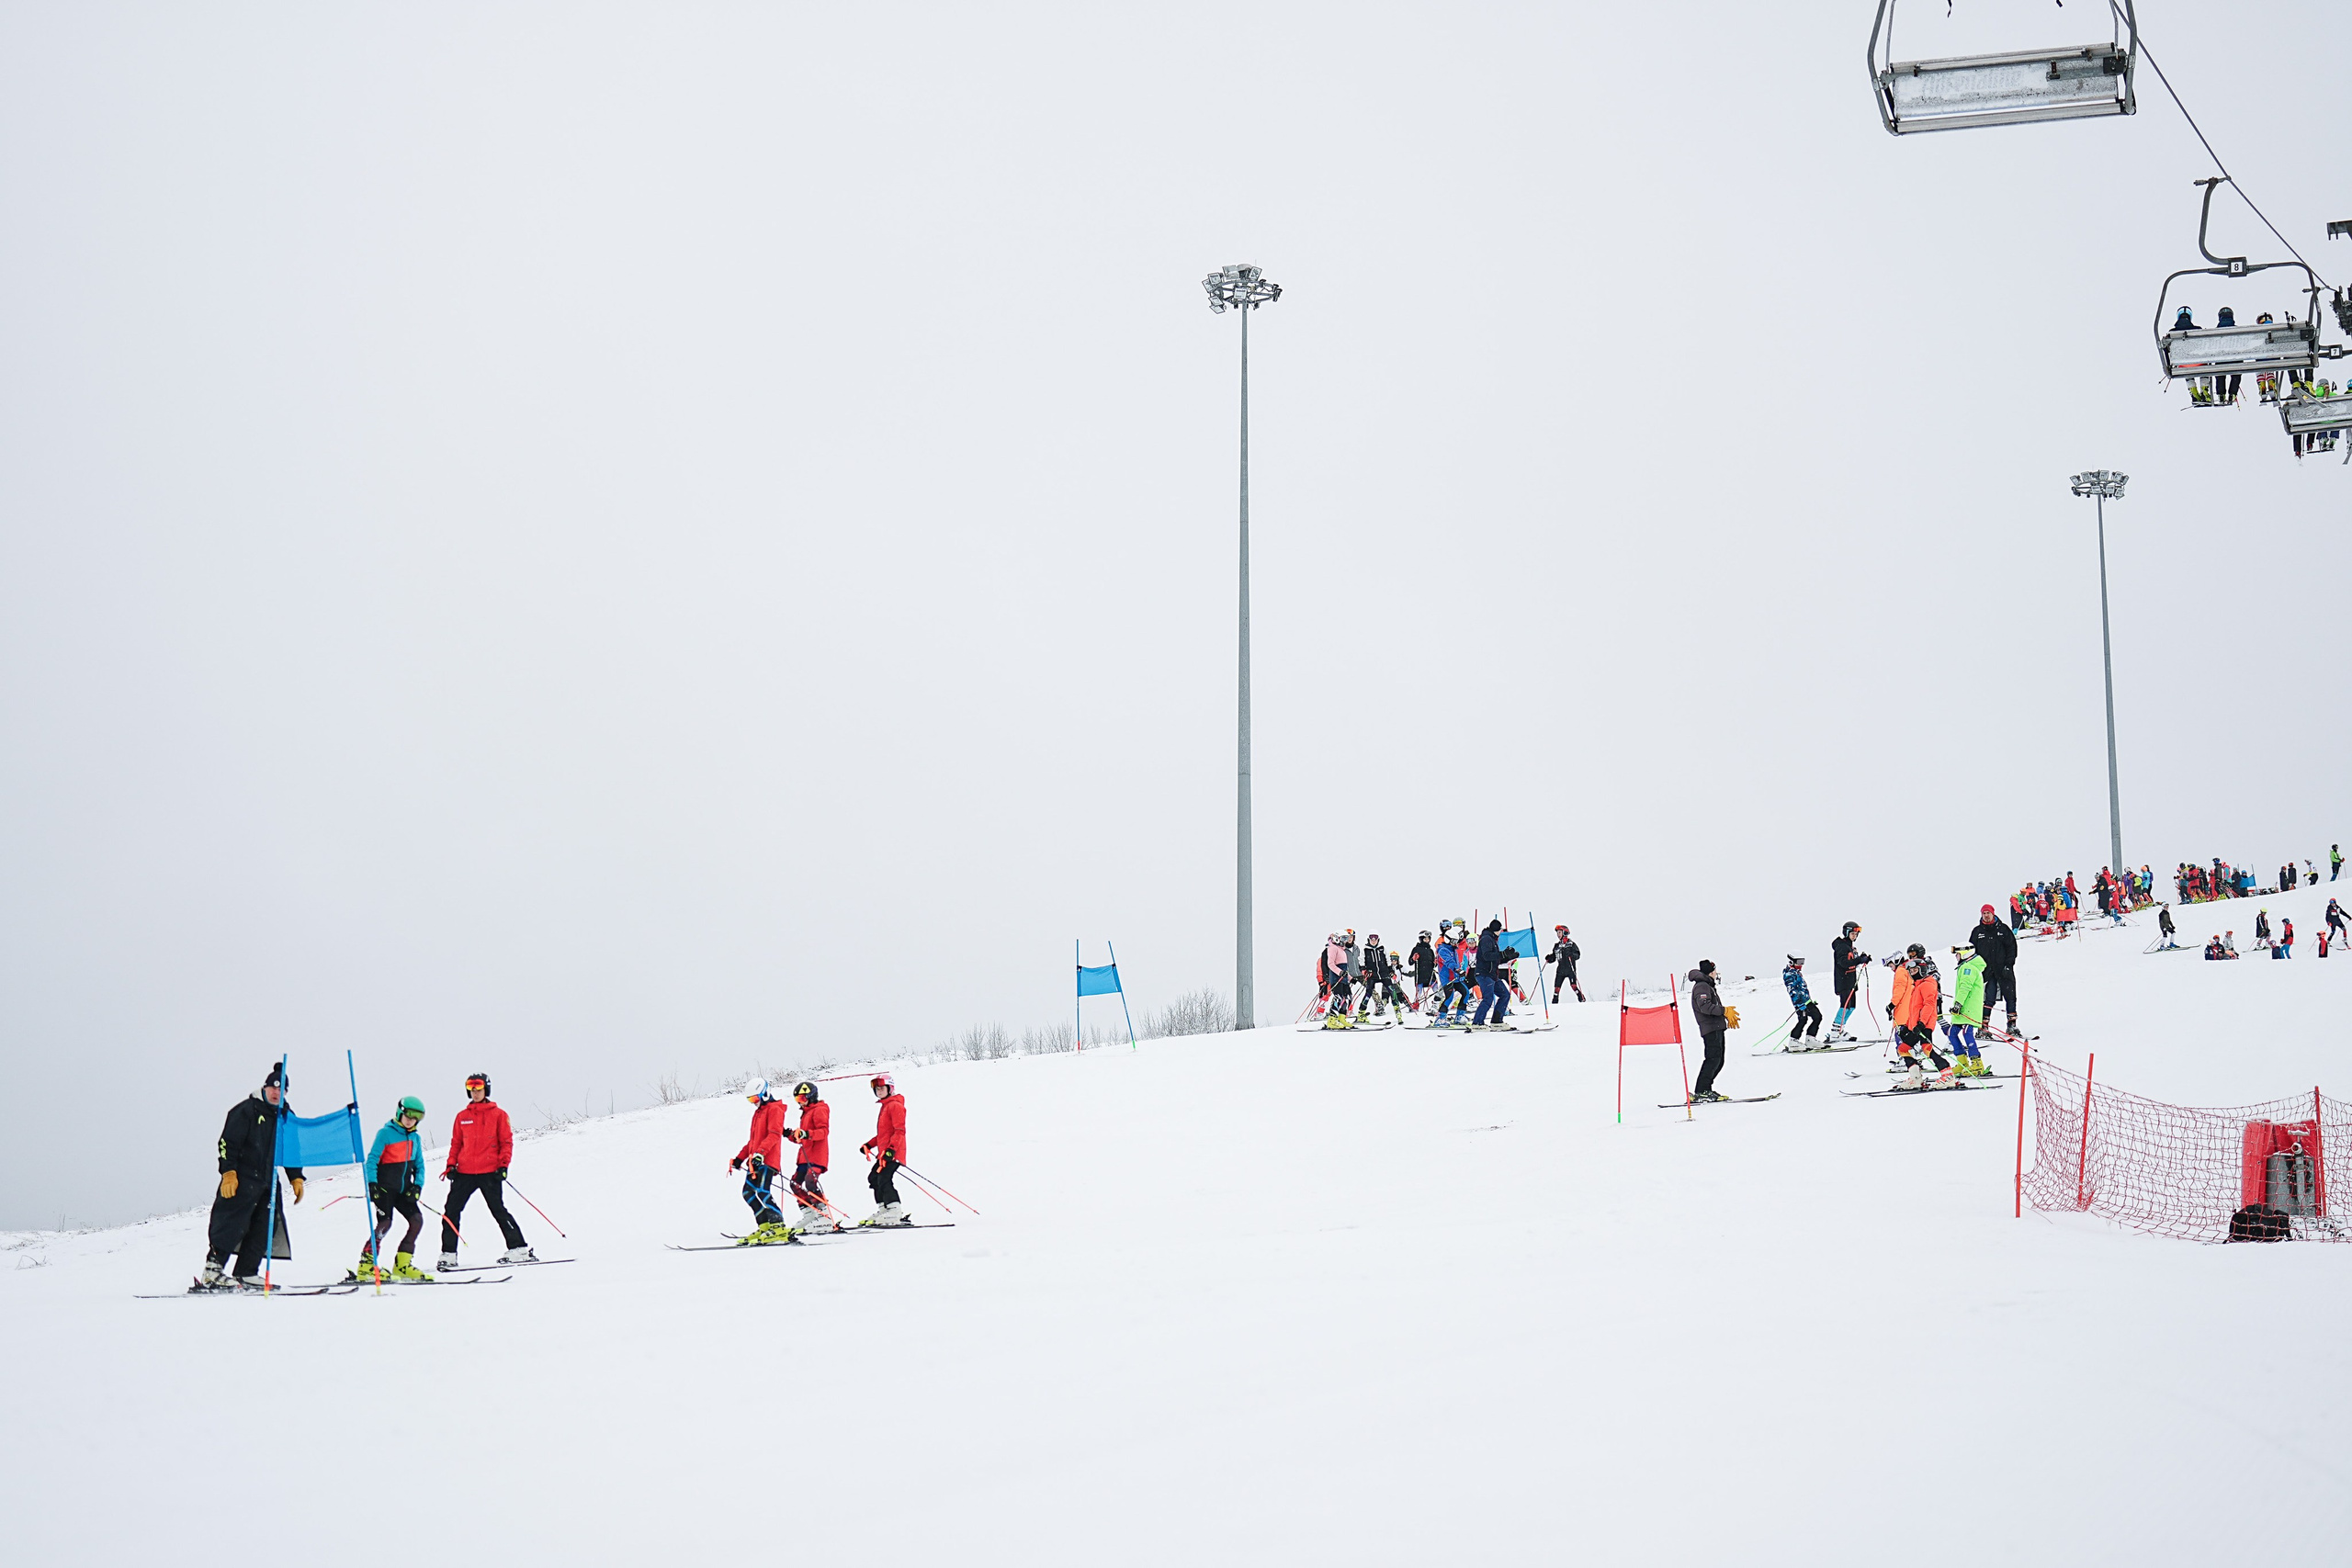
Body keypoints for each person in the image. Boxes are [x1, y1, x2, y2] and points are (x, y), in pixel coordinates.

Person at [202, 1064, 305, 1290]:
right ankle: (213, 1270)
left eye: (282, 1090)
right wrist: (228, 1172)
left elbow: (292, 1150)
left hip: (268, 1181)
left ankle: (247, 1272)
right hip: (242, 1177)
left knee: (264, 1225)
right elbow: (227, 1143)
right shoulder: (247, 1110)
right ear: (265, 1087)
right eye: (273, 1088)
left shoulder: (286, 1116)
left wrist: (296, 1177)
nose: (276, 1093)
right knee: (232, 1223)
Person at [437, 1072, 533, 1269]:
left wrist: (503, 1166)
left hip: (490, 1171)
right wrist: (450, 1166)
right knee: (451, 1211)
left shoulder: (499, 1115)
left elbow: (506, 1142)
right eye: (471, 1087)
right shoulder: (462, 1117)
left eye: (478, 1087)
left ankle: (519, 1248)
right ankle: (448, 1254)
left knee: (498, 1209)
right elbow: (456, 1143)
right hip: (464, 1173)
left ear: (486, 1088)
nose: (475, 1091)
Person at [356, 1096, 432, 1283]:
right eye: (408, 1115)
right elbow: (372, 1160)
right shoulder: (386, 1134)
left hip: (404, 1191)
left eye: (415, 1118)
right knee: (385, 1224)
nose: (410, 1120)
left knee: (416, 1221)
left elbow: (420, 1166)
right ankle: (366, 1267)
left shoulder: (415, 1138)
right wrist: (372, 1184)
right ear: (400, 1112)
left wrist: (417, 1186)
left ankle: (402, 1265)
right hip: (384, 1190)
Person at [729, 1078, 792, 1244]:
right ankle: (765, 1226)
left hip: (767, 1159)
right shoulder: (758, 1113)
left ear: (765, 1093)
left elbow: (774, 1134)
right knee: (748, 1192)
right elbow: (753, 1141)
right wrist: (739, 1158)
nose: (753, 1103)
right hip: (755, 1160)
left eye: (755, 1099)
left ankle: (779, 1228)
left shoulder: (775, 1109)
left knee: (763, 1191)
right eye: (750, 1100)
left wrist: (761, 1153)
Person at [1894, 945, 1951, 1089]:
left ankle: (1945, 1074)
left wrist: (1921, 1024)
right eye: (1910, 971)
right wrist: (1907, 1025)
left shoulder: (1927, 984)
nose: (1912, 973)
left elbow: (1929, 1006)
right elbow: (1913, 1010)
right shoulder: (1917, 986)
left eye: (1915, 970)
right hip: (1916, 1025)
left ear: (1923, 970)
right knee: (1921, 1049)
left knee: (1911, 1049)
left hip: (1923, 1024)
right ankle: (1918, 1077)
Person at [858, 1073, 910, 1226]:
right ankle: (884, 1209)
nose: (879, 1091)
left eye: (882, 1088)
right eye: (877, 1089)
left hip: (893, 1153)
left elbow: (899, 1131)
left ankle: (894, 1211)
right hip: (884, 1153)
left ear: (890, 1088)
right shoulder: (886, 1106)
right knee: (874, 1178)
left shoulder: (895, 1106)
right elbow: (883, 1134)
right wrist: (869, 1145)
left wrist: (891, 1150)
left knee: (883, 1179)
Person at [785, 1081, 831, 1230]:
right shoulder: (806, 1113)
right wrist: (789, 1134)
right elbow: (801, 1138)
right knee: (795, 1183)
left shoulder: (819, 1110)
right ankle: (810, 1214)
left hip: (817, 1156)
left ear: (812, 1097)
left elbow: (823, 1132)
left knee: (810, 1182)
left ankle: (824, 1216)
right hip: (804, 1157)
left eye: (803, 1099)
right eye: (798, 1100)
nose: (801, 1103)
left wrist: (806, 1133)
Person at [1970, 903, 2019, 1037]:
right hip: (1987, 972)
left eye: (1988, 913)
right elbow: (1972, 951)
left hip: (2004, 969)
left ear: (1993, 913)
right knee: (1988, 998)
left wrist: (2008, 964)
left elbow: (2012, 947)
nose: (1986, 916)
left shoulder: (2003, 929)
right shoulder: (1977, 932)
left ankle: (2012, 1026)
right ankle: (1983, 1028)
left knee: (2010, 996)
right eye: (1983, 913)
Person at [1688, 960, 1729, 1101]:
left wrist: (1725, 1015)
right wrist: (1724, 1011)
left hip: (1716, 1027)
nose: (1716, 973)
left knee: (1719, 1060)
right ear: (1711, 972)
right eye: (1715, 970)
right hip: (1710, 1028)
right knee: (1713, 1059)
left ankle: (1707, 1089)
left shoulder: (1707, 985)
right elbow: (1704, 1007)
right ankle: (1701, 1090)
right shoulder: (1702, 986)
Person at [1945, 946, 1988, 1077]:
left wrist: (1958, 1005)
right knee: (1952, 1033)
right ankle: (1962, 1062)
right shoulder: (1965, 967)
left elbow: (1965, 987)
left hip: (1967, 1009)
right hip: (1962, 1009)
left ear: (1965, 954)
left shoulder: (1968, 968)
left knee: (1966, 1033)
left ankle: (1977, 1064)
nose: (1956, 957)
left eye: (1957, 954)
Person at [1829, 922, 1870, 1041]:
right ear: (1846, 933)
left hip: (1851, 981)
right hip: (1844, 981)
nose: (1854, 936)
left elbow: (1852, 960)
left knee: (1851, 1007)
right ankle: (1835, 1031)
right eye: (1852, 933)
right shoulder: (1842, 946)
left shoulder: (1849, 946)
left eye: (1856, 934)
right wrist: (1859, 960)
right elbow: (1843, 963)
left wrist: (1862, 959)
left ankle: (1840, 1029)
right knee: (1845, 1006)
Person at [1471, 919, 1511, 1028]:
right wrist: (1502, 954)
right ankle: (1477, 1023)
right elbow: (1486, 956)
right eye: (1500, 930)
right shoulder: (1486, 939)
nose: (1500, 932)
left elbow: (1495, 960)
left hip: (1492, 975)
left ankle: (1497, 1021)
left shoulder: (1492, 939)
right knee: (1488, 998)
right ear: (1496, 930)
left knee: (1505, 995)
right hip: (1484, 974)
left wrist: (1508, 956)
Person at [1433, 921, 1472, 1024]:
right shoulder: (1442, 950)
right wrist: (1457, 970)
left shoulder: (1453, 948)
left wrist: (1461, 971)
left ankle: (1460, 1016)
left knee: (1466, 992)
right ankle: (1440, 1018)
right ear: (1448, 939)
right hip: (1447, 978)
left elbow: (1457, 961)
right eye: (1454, 941)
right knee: (1449, 997)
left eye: (1456, 941)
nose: (1456, 943)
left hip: (1455, 977)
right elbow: (1449, 962)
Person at [1781, 955, 1823, 1048]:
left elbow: (1802, 989)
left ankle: (1810, 1039)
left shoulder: (1797, 972)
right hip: (1799, 1003)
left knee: (1817, 1016)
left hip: (1807, 1001)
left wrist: (1808, 1000)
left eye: (1802, 962)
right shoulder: (1789, 974)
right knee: (1803, 1020)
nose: (1801, 965)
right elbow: (1792, 990)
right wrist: (1799, 1003)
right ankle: (1793, 1041)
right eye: (1799, 962)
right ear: (1791, 962)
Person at [1363, 934, 1406, 1019]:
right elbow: (1362, 962)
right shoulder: (1365, 950)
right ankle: (1368, 1011)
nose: (1393, 961)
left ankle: (1399, 1013)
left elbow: (1408, 972)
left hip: (1391, 981)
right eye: (1372, 939)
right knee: (1374, 995)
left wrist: (1391, 971)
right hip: (1374, 976)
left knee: (1398, 997)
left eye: (1395, 959)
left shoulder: (1399, 967)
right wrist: (1364, 970)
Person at [1547, 925, 1586, 1004]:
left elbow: (1578, 955)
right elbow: (1554, 957)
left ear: (1564, 933)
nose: (1558, 934)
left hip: (1570, 969)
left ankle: (1581, 998)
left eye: (1560, 932)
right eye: (1557, 933)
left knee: (1573, 986)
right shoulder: (1557, 946)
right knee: (1556, 988)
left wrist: (1571, 955)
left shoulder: (1571, 944)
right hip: (1560, 970)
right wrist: (1550, 958)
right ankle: (1554, 1003)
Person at [1408, 931, 1438, 1010]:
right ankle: (1415, 1006)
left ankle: (1438, 1004)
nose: (1427, 940)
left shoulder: (1430, 951)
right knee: (1419, 992)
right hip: (1420, 974)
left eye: (1428, 939)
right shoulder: (1416, 949)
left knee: (1436, 989)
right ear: (1421, 939)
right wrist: (1413, 958)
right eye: (1425, 939)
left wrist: (1435, 963)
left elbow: (1434, 965)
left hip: (1430, 974)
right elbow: (1410, 962)